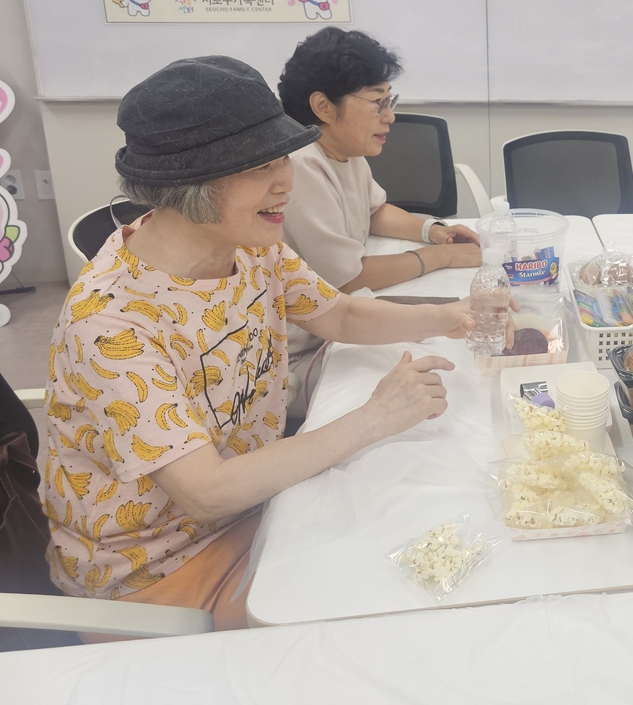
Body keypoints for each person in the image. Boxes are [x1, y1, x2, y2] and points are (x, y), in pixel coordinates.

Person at [41, 56, 484, 632]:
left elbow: (338, 313)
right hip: (159, 568)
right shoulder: (111, 324)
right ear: (186, 186)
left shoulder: (249, 245)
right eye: (259, 167)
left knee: (426, 532)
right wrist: (376, 416)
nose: (286, 182)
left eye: (283, 158)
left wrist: (452, 316)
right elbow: (207, 492)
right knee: (378, 614)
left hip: (256, 506)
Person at [276, 27, 481, 295]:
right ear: (324, 107)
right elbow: (346, 279)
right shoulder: (301, 167)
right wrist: (443, 256)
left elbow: (373, 211)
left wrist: (432, 231)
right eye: (377, 102)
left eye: (389, 100)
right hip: (311, 317)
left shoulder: (345, 149)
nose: (389, 117)